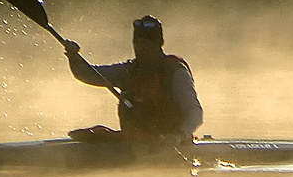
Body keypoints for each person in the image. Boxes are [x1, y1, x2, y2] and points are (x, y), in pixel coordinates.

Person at [61, 15, 203, 145]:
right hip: (135, 143)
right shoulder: (128, 71)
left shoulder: (175, 72)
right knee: (97, 133)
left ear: (159, 44)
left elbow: (195, 113)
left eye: (146, 44)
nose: (141, 49)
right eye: (137, 43)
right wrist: (74, 58)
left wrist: (178, 136)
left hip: (172, 143)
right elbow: (86, 74)